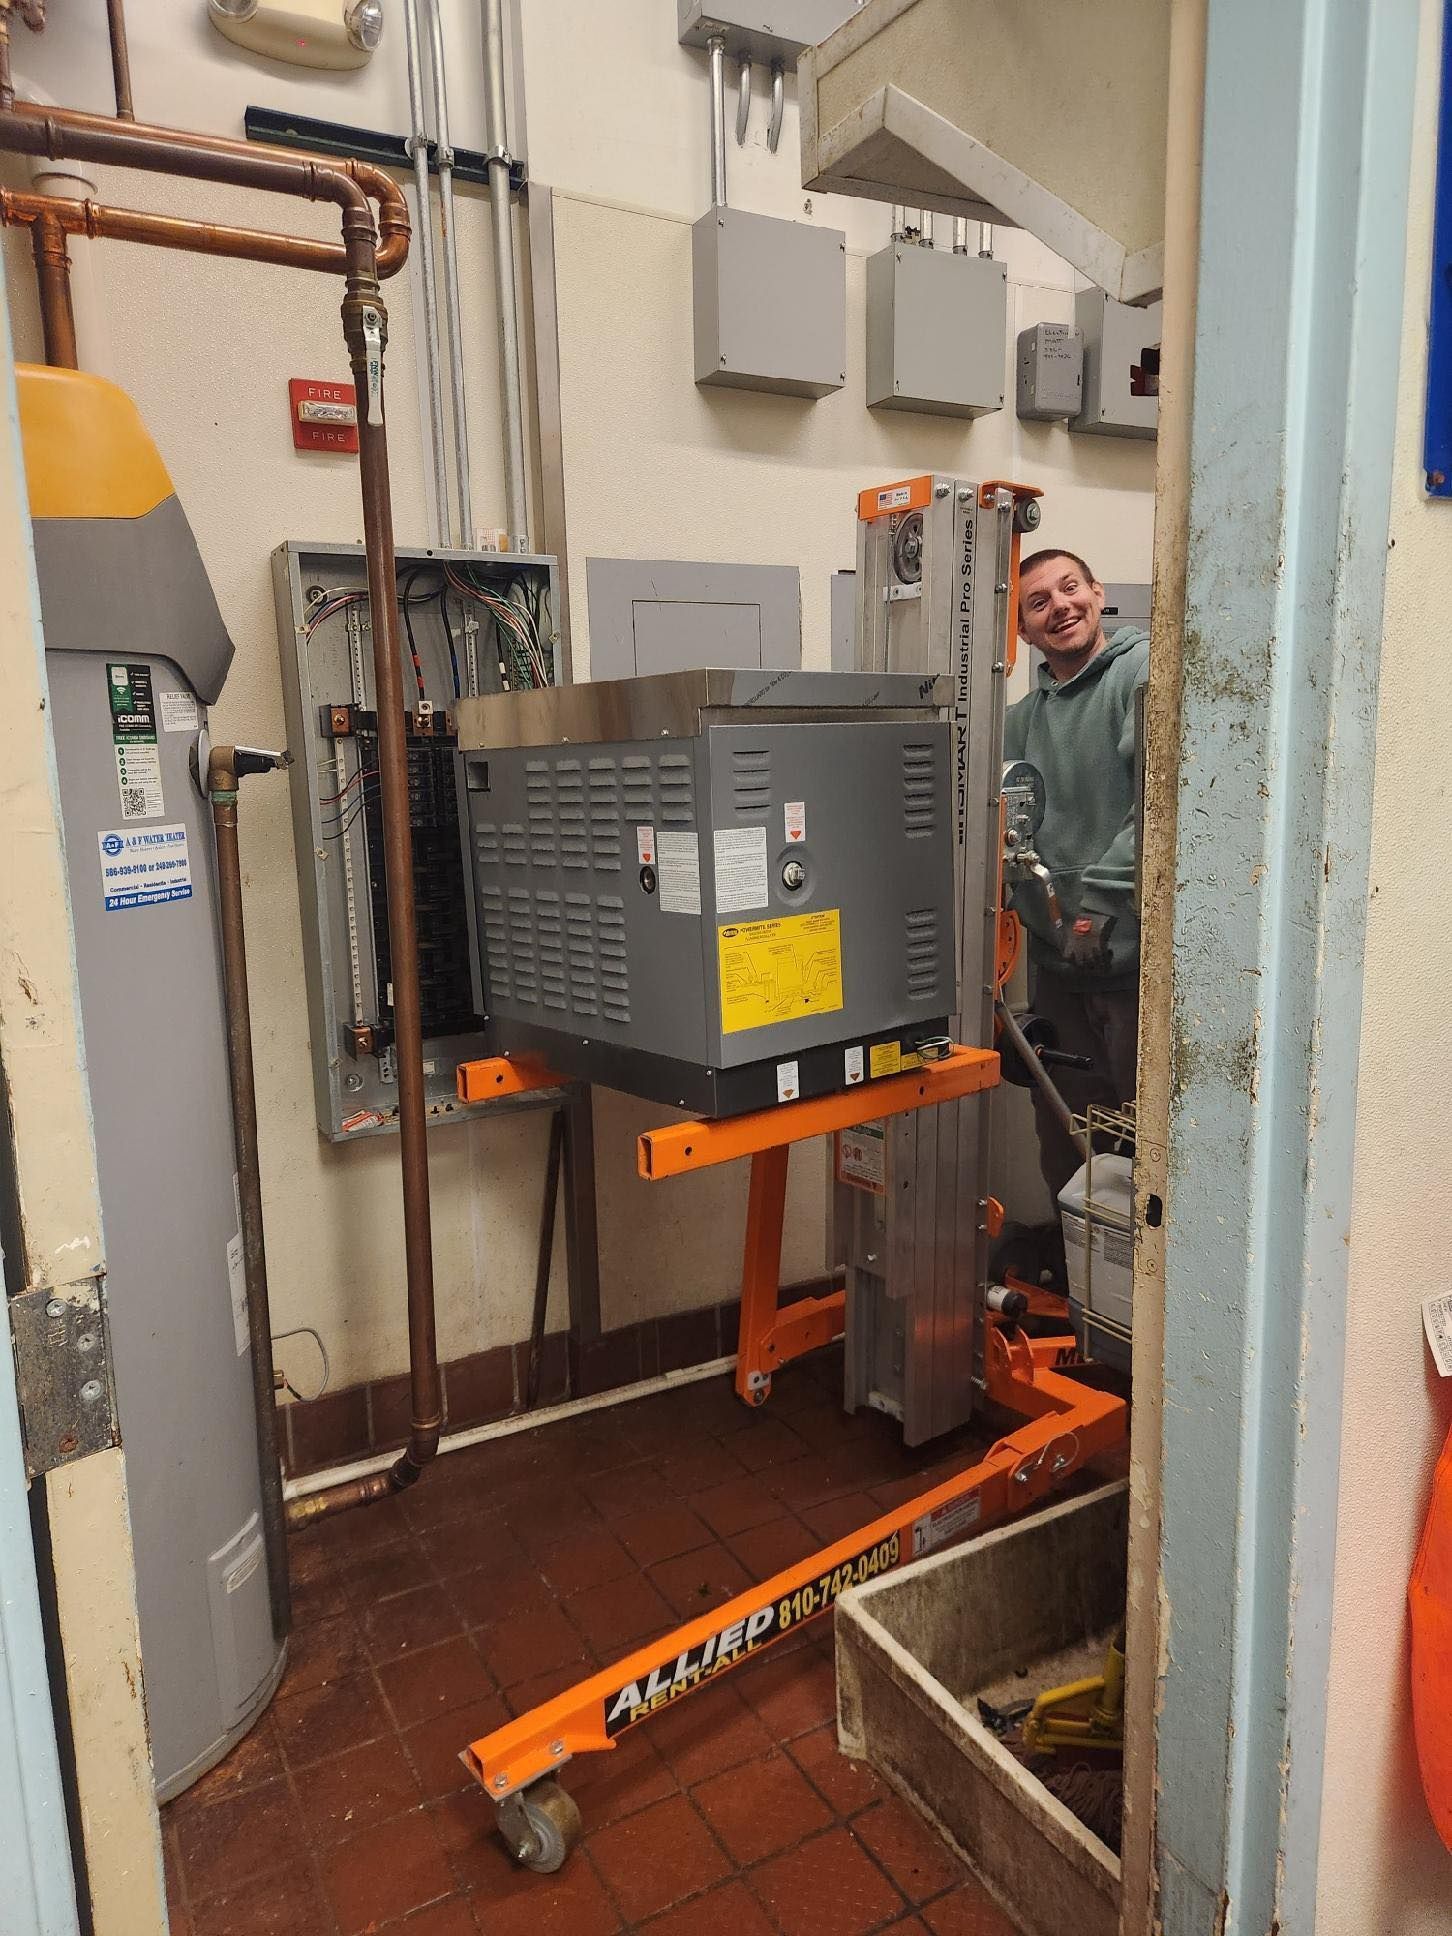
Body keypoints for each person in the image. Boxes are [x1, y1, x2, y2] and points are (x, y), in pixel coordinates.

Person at [1002, 548, 1149, 1204]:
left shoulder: (1139, 676)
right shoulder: (1019, 723)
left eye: (1070, 588)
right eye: (1039, 602)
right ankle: (1086, 1299)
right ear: (1025, 631)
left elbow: (1157, 804)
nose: (1060, 606)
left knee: (1151, 1148)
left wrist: (1097, 908)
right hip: (1057, 975)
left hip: (1133, 968)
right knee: (1071, 1147)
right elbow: (1004, 834)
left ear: (1097, 591)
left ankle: (1147, 1307)